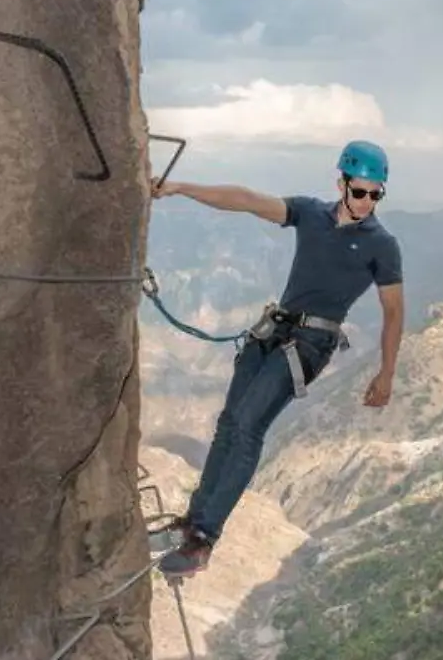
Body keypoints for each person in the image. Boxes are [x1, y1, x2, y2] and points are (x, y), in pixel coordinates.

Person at [149, 140, 404, 578]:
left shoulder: (382, 245)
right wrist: (179, 188)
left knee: (248, 427)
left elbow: (394, 311)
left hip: (311, 344)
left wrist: (387, 373)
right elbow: (247, 200)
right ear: (341, 184)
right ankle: (193, 519)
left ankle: (204, 539)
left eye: (375, 194)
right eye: (360, 191)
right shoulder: (310, 213)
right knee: (229, 423)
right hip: (274, 329)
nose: (366, 201)